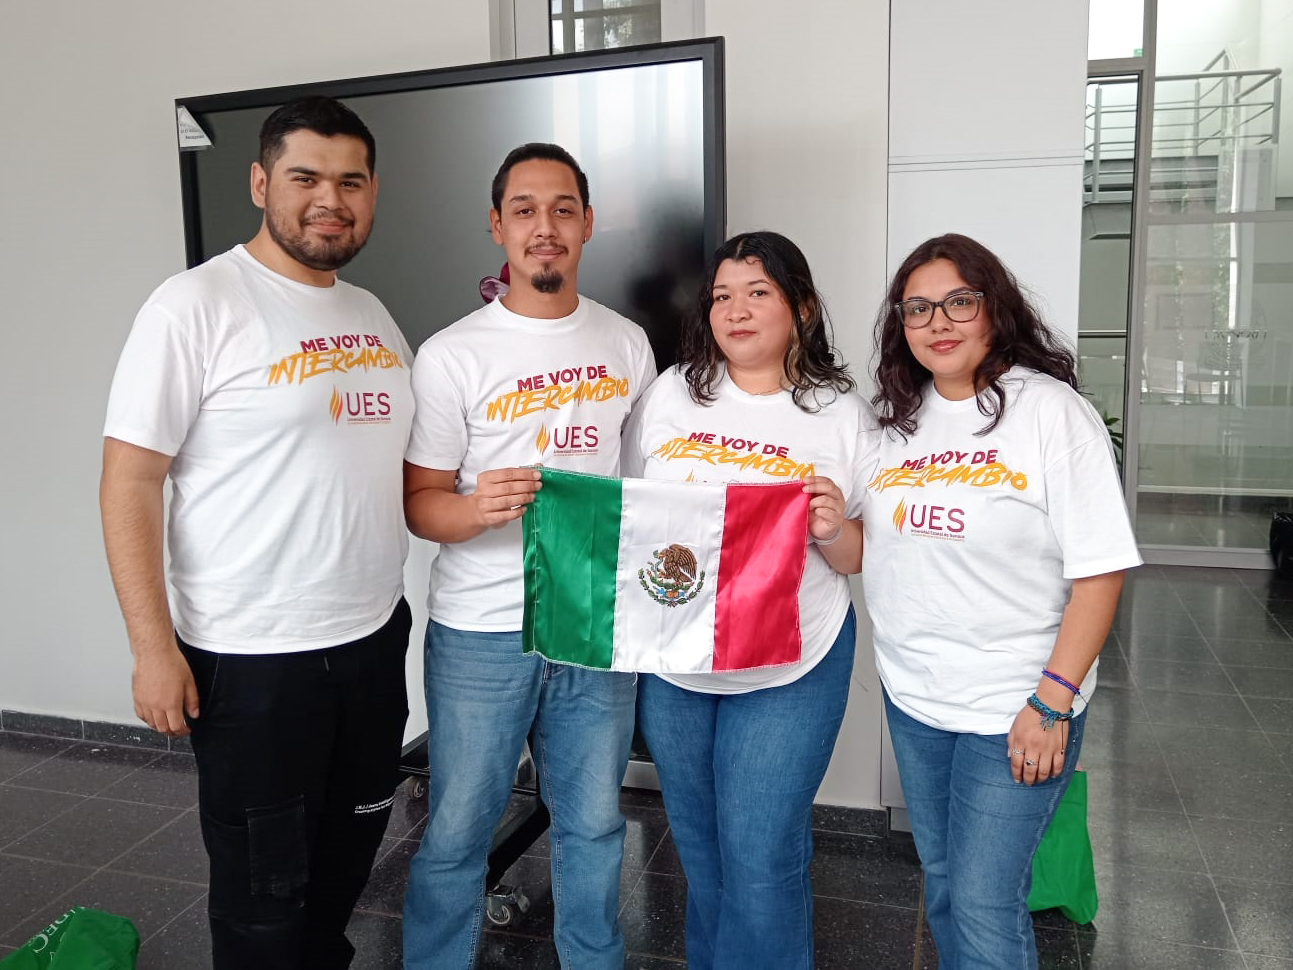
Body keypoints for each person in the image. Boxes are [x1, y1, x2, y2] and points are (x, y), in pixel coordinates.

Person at [99, 96, 413, 970]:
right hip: (254, 662)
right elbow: (130, 481)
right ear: (259, 182)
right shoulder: (194, 304)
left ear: (371, 192)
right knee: (263, 898)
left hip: (370, 641)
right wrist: (152, 649)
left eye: (350, 181)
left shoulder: (371, 313)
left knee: (345, 866)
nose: (330, 200)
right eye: (305, 177)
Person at [401, 143, 657, 969]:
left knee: (593, 824)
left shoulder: (627, 343)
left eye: (561, 209)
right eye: (523, 209)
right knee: (457, 829)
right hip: (482, 631)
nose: (543, 227)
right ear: (496, 226)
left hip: (590, 624)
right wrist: (475, 509)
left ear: (586, 223)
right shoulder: (451, 354)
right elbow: (419, 503)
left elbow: (640, 494)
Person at [860, 233, 1141, 969]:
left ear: (994, 308)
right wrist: (828, 524)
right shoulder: (896, 420)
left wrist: (1050, 703)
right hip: (916, 697)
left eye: (959, 301)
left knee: (986, 901)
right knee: (945, 880)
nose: (938, 321)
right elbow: (867, 552)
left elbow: (1100, 573)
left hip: (1016, 703)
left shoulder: (1050, 413)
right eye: (917, 307)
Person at [623, 231, 871, 969]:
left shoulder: (840, 413)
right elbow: (632, 514)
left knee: (761, 859)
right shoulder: (672, 392)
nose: (736, 310)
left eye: (758, 293)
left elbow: (859, 556)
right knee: (700, 853)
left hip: (790, 664)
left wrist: (831, 527)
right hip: (677, 664)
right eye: (722, 296)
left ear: (802, 307)